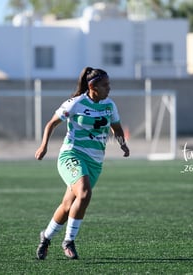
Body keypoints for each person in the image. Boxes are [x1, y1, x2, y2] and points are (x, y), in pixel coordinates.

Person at [34, 67, 130, 260]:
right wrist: (44, 146)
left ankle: (46, 237)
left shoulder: (109, 105)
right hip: (72, 154)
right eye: (105, 85)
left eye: (109, 85)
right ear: (93, 86)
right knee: (85, 193)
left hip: (94, 162)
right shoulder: (75, 103)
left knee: (68, 205)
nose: (109, 89)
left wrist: (123, 145)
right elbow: (51, 123)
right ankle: (69, 241)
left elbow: (117, 128)